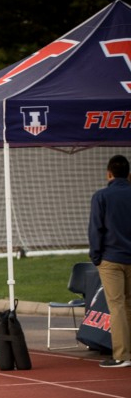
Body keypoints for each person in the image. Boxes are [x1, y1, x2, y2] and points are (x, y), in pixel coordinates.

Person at [89, 154, 131, 368]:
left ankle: (122, 355)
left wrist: (96, 256)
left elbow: (96, 228)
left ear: (109, 174)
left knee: (117, 306)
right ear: (129, 174)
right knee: (129, 304)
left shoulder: (101, 196)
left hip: (111, 257)